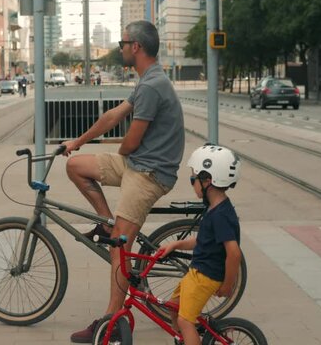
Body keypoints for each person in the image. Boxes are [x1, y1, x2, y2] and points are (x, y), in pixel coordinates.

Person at [62, 20, 185, 343]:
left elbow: (130, 142)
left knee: (120, 249)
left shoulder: (152, 86)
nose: (120, 47)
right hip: (136, 164)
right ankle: (107, 223)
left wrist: (124, 149)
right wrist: (77, 142)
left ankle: (111, 322)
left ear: (137, 47)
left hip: (149, 173)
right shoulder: (148, 80)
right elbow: (112, 116)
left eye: (123, 42)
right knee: (76, 167)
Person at [160, 145, 243, 345]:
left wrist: (228, 284)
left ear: (208, 181)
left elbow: (234, 253)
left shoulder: (221, 216)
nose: (192, 184)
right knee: (173, 307)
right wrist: (177, 244)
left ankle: (190, 338)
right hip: (197, 272)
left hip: (205, 277)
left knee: (185, 320)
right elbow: (203, 240)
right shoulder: (214, 209)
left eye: (193, 179)